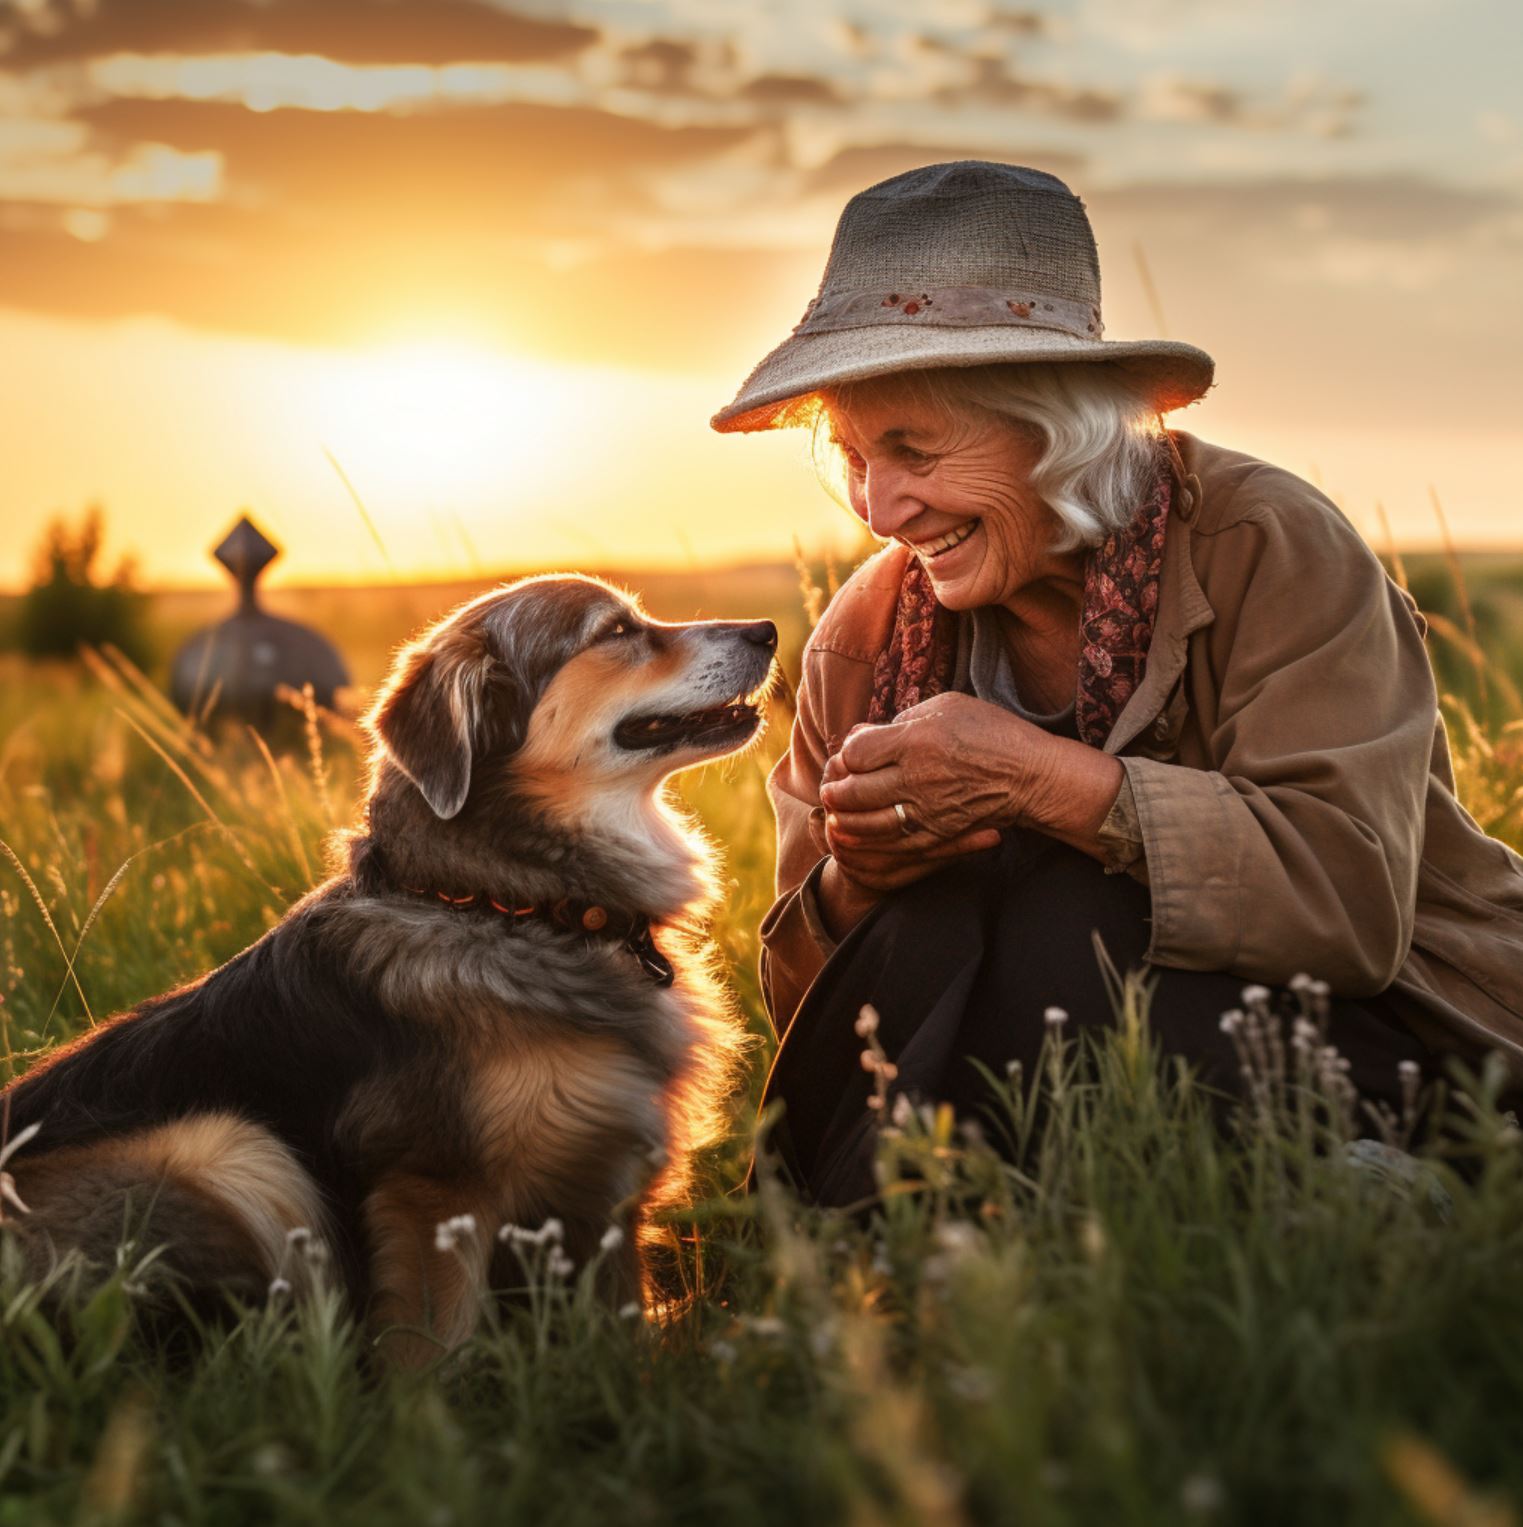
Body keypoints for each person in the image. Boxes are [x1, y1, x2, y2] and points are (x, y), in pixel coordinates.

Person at [709, 161, 1523, 1205]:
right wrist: (851, 882)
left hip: (1378, 1037)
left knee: (1059, 911)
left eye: (913, 449)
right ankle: (936, 1249)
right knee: (927, 916)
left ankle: (1355, 1189)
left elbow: (1346, 905)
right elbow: (814, 1018)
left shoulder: (1262, 545)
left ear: (1059, 423)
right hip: (1052, 1062)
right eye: (856, 456)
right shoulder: (863, 637)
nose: (878, 507)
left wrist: (1039, 782)